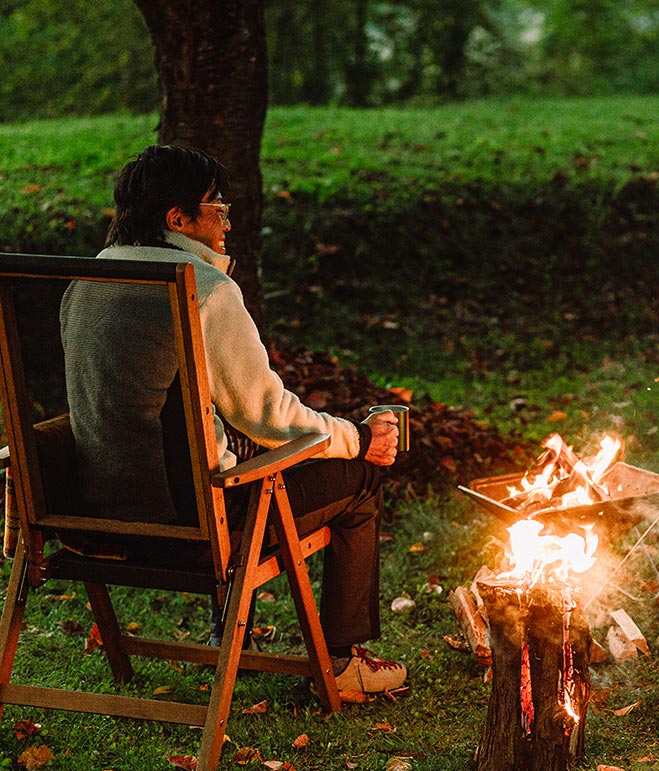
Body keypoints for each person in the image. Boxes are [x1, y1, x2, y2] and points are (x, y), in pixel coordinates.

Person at [60, 144, 407, 694]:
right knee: (360, 478)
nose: (227, 218)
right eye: (216, 205)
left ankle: (235, 635)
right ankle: (342, 665)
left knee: (223, 450)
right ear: (177, 218)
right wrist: (360, 437)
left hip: (89, 520)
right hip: (189, 531)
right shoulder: (203, 289)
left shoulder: (85, 282)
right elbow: (270, 416)